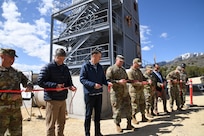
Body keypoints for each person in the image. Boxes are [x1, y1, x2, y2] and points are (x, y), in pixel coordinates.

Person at [37, 48, 77, 136]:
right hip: (52, 99)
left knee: (62, 122)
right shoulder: (48, 67)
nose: (62, 61)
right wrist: (55, 86)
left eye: (63, 59)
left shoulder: (65, 67)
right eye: (60, 59)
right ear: (55, 57)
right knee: (51, 124)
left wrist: (71, 86)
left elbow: (68, 80)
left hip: (63, 99)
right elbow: (40, 81)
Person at [0, 48, 33, 136]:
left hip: (16, 111)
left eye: (14, 57)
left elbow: (28, 81)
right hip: (1, 111)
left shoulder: (17, 73)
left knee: (16, 134)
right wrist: (9, 96)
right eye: (10, 57)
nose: (12, 60)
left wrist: (29, 86)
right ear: (2, 56)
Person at [80, 48, 109, 136]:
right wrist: (93, 85)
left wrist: (108, 83)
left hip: (99, 94)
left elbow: (103, 80)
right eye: (99, 57)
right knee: (88, 115)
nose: (100, 58)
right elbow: (82, 79)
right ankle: (87, 133)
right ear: (94, 56)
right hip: (89, 94)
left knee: (98, 115)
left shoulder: (100, 67)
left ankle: (97, 133)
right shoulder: (85, 66)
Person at [106, 55, 134, 133]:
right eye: (120, 61)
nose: (121, 63)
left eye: (122, 62)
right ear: (116, 60)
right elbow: (108, 80)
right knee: (117, 110)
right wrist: (118, 82)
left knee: (128, 107)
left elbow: (126, 79)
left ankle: (129, 124)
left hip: (125, 92)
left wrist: (129, 81)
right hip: (116, 93)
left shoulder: (123, 69)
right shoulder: (111, 69)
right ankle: (118, 125)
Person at [127, 58, 150, 124]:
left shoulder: (139, 71)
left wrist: (147, 80)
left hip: (140, 90)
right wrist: (142, 83)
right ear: (134, 63)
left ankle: (143, 116)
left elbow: (143, 78)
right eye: (138, 64)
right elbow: (132, 82)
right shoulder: (130, 72)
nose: (139, 66)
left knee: (143, 103)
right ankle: (133, 118)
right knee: (134, 105)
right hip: (134, 91)